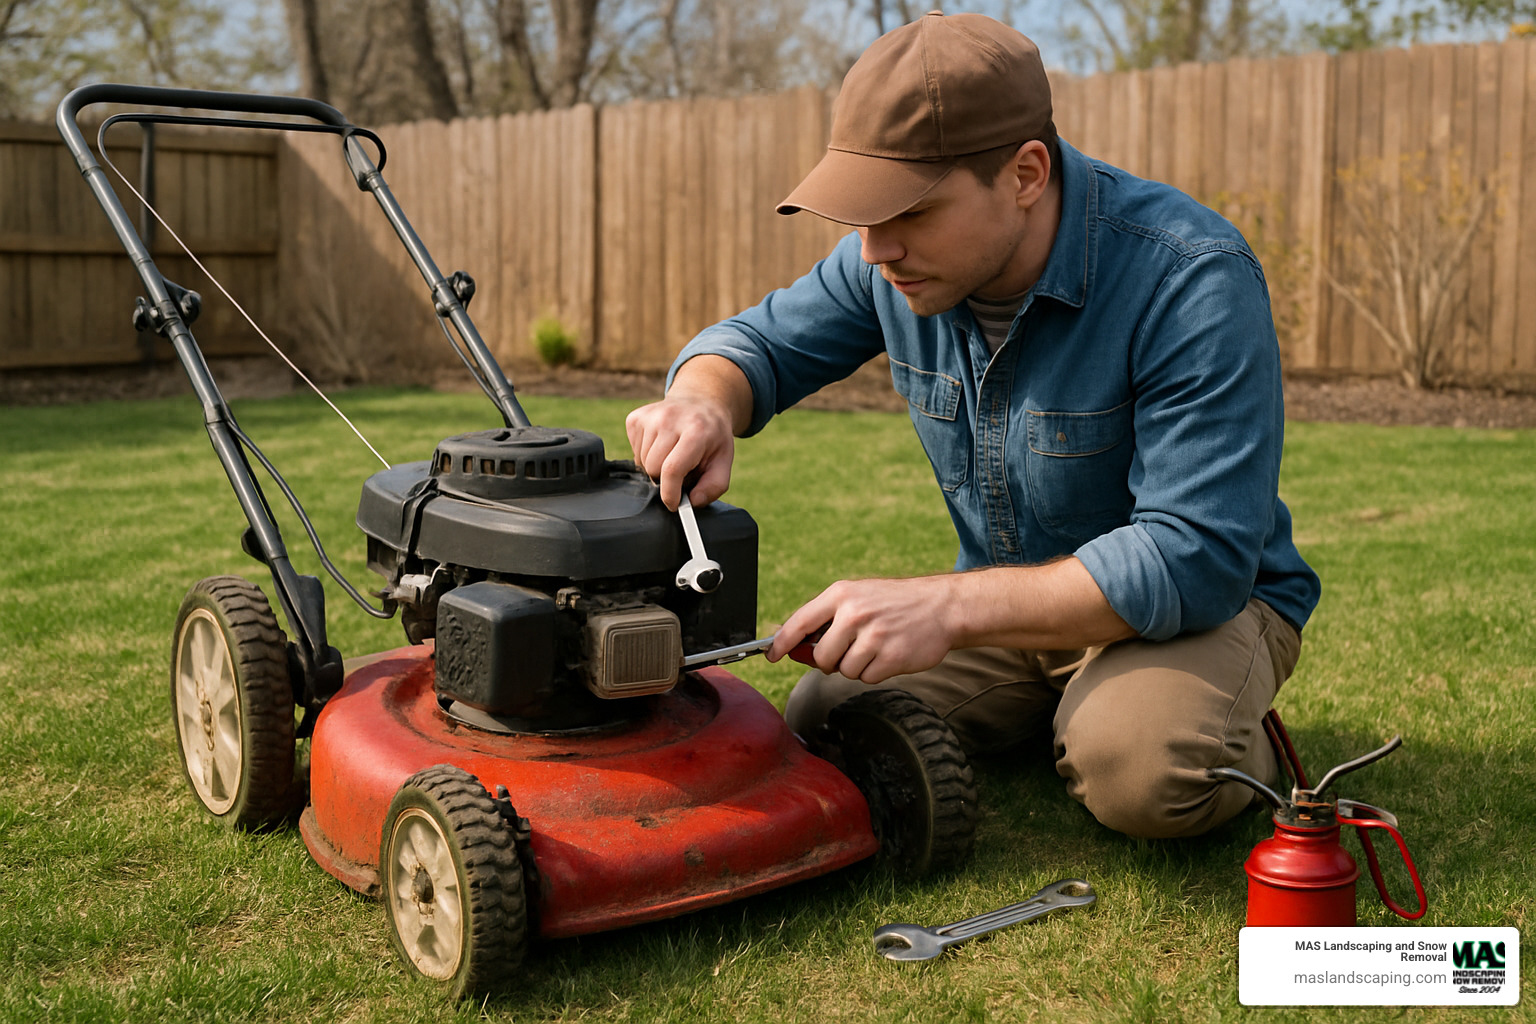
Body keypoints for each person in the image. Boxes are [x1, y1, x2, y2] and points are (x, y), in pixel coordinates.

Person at [625, 11, 1321, 840]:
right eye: (861, 214)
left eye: (907, 211)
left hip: (1201, 612)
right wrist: (704, 398)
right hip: (1016, 614)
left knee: (1146, 771)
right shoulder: (889, 265)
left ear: (1025, 173)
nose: (875, 248)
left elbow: (1195, 555)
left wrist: (948, 609)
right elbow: (755, 344)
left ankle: (1205, 726)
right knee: (829, 708)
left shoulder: (1191, 277)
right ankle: (1064, 713)